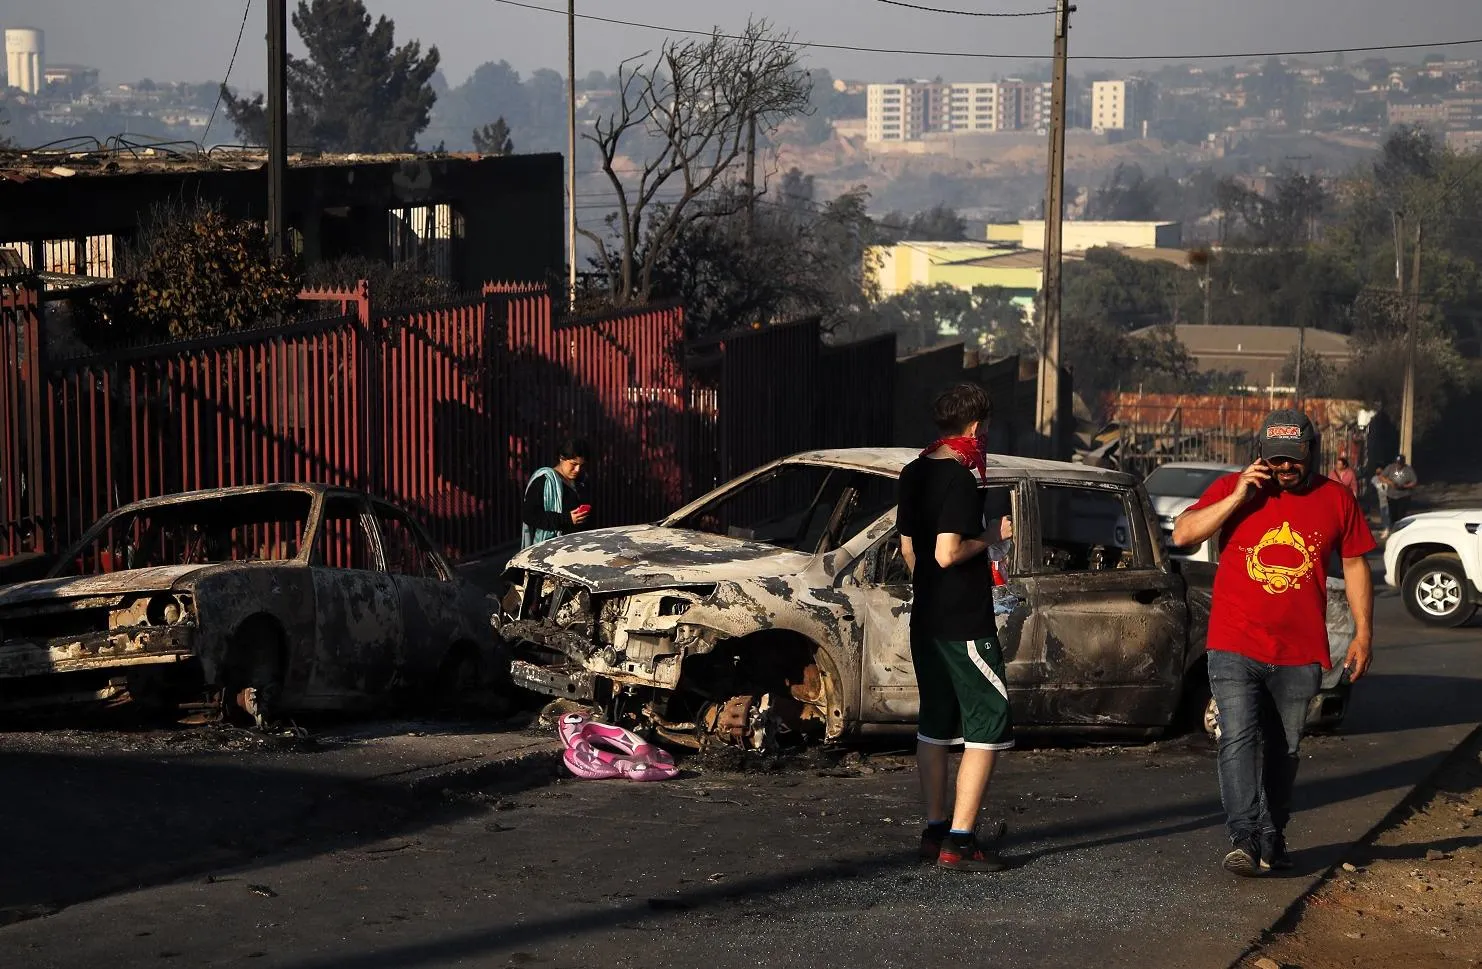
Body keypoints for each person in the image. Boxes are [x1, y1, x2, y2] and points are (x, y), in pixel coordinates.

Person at [1173, 409, 1375, 878]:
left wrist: (1364, 634)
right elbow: (1184, 534)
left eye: (1295, 460)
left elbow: (1357, 564)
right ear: (1260, 455)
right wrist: (1239, 495)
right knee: (1237, 736)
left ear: (1313, 455)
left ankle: (1273, 835)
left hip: (1300, 650)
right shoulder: (1234, 489)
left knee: (1284, 748)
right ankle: (1244, 838)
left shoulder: (1336, 499)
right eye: (1277, 459)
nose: (1286, 469)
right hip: (1234, 641)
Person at [896, 382, 1014, 873]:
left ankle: (935, 829)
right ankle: (960, 842)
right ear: (974, 427)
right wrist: (989, 537)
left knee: (936, 723)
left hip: (925, 616)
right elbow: (946, 552)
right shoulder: (962, 479)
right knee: (989, 719)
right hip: (964, 619)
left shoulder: (913, 471)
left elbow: (911, 552)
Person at [520, 437, 591, 549]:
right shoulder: (544, 481)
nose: (577, 469)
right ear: (561, 458)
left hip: (580, 546)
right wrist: (567, 519)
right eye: (573, 464)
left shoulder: (581, 481)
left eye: (581, 465)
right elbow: (529, 515)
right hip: (552, 549)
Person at [1380, 454, 1418, 530]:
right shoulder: (1390, 467)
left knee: (1401, 515)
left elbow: (1414, 482)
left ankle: (1401, 529)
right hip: (1391, 495)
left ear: (1403, 463)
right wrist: (1390, 483)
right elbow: (1382, 477)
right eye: (1397, 463)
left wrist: (1405, 486)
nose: (1398, 465)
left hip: (1403, 496)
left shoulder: (1408, 469)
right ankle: (1393, 529)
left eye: (1400, 463)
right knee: (1392, 515)